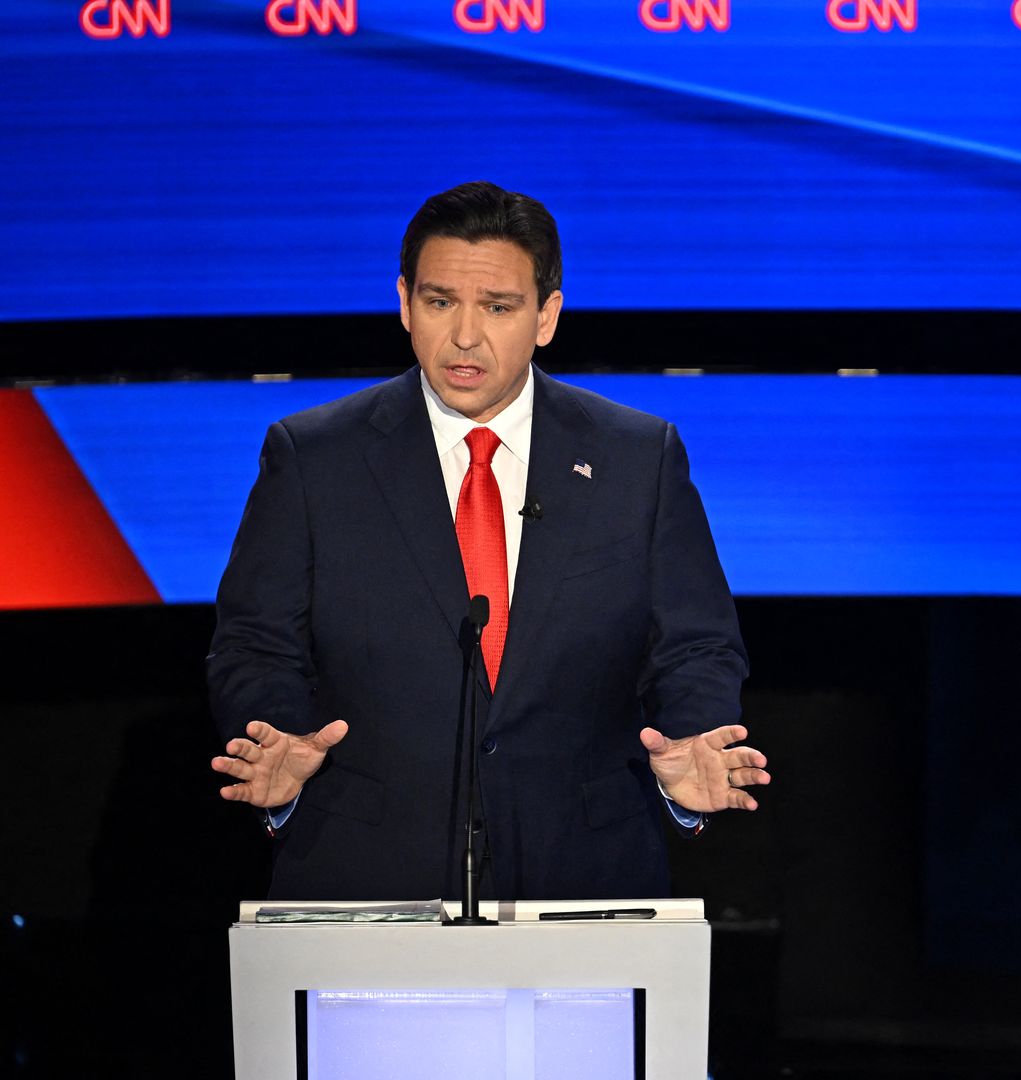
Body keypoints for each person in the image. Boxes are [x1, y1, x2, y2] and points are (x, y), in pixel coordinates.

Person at [207, 181, 767, 901]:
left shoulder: (638, 457)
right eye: (440, 303)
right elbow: (255, 642)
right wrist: (280, 736)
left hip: (584, 875)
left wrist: (692, 742)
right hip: (369, 876)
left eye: (498, 308)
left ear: (546, 317)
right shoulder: (314, 457)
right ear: (405, 302)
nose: (465, 337)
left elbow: (695, 644)